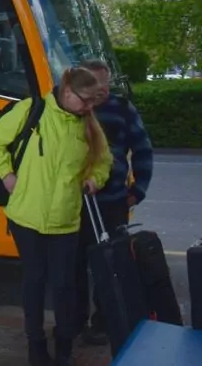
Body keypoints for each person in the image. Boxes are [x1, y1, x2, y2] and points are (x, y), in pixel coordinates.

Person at [0, 66, 113, 366]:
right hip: (26, 217)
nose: (90, 107)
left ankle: (64, 343)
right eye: (86, 100)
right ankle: (35, 344)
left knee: (65, 284)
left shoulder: (88, 124)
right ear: (68, 93)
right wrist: (6, 176)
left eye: (94, 101)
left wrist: (95, 179)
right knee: (35, 282)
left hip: (66, 220)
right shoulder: (32, 111)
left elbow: (104, 161)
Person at [75, 59, 155, 346]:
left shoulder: (121, 108)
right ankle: (74, 321)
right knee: (74, 265)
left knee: (109, 265)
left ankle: (103, 322)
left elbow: (143, 147)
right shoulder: (72, 106)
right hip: (76, 202)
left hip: (112, 201)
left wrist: (139, 188)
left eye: (106, 83)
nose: (103, 90)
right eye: (97, 84)